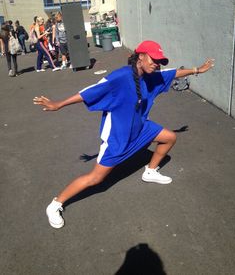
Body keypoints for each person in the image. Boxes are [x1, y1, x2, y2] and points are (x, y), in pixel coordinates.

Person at [33, 40, 214, 228]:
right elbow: (90, 92)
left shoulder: (150, 75)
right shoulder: (121, 76)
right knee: (95, 179)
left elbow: (173, 73)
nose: (156, 64)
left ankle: (150, 172)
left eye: (159, 61)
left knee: (169, 137)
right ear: (141, 56)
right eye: (154, 59)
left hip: (141, 128)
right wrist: (58, 104)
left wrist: (197, 70)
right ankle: (55, 204)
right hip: (118, 138)